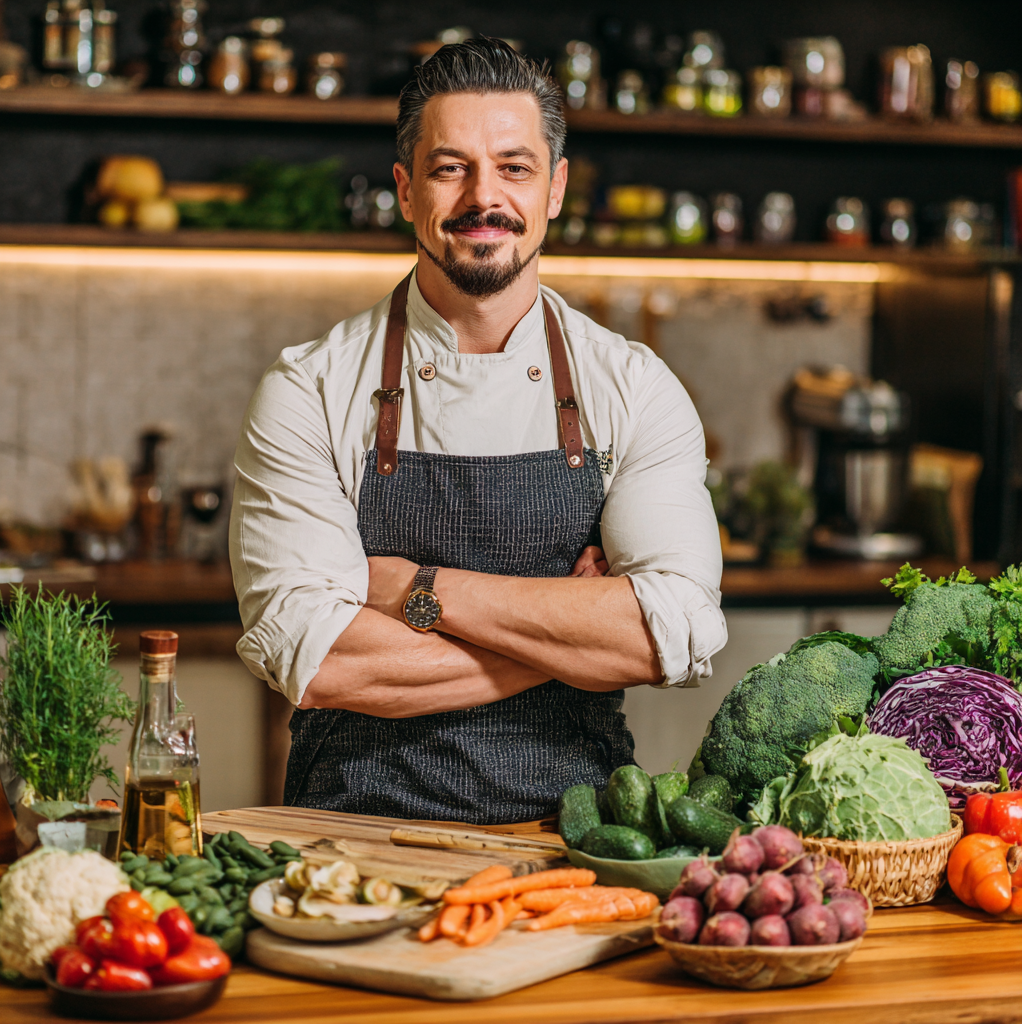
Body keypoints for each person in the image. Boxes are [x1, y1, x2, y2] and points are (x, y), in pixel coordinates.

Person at [230, 38, 727, 825]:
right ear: (404, 189)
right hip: (351, 837)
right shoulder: (309, 389)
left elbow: (672, 633)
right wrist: (567, 634)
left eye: (515, 167)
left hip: (578, 840)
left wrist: (415, 589)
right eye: (450, 166)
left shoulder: (632, 387)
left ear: (555, 189)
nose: (483, 197)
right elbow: (318, 659)